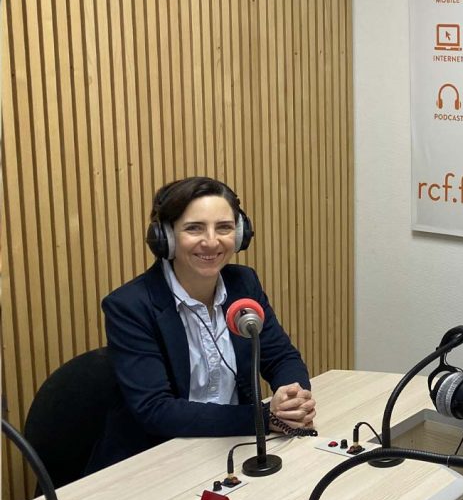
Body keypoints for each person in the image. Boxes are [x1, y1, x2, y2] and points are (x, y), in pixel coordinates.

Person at [88, 177, 316, 471]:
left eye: (224, 227)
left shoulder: (243, 283)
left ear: (240, 234)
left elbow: (280, 356)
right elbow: (156, 410)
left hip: (231, 448)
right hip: (157, 459)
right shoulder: (130, 305)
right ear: (165, 237)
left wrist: (292, 399)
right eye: (194, 228)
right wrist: (263, 417)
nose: (211, 241)